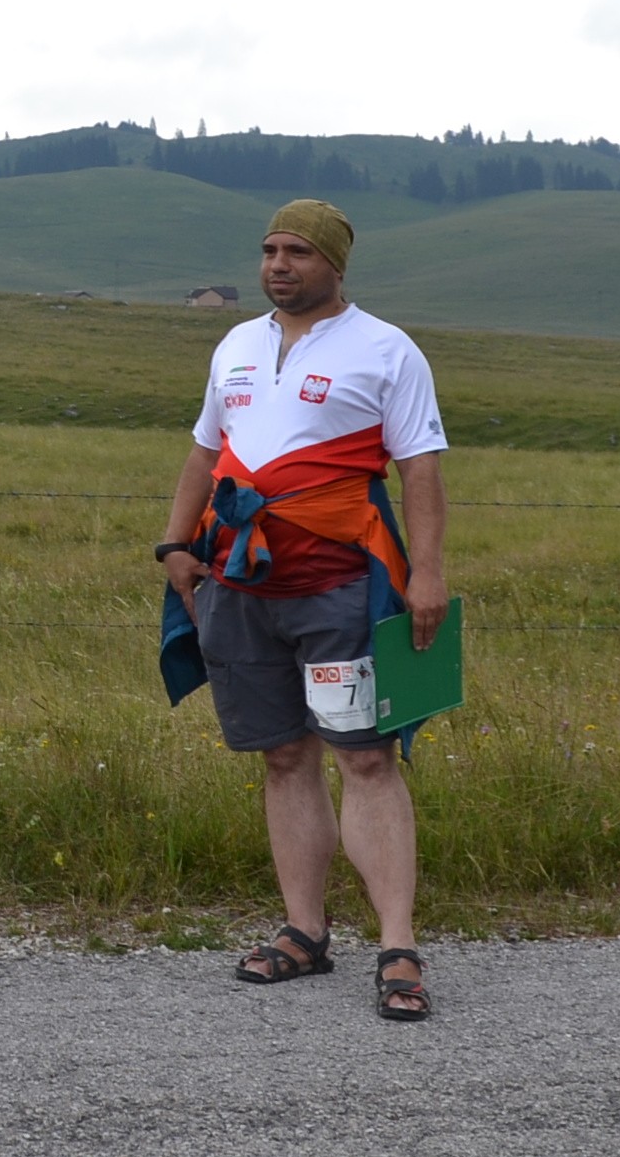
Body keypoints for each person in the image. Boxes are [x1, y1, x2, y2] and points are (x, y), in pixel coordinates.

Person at [156, 199, 452, 1023]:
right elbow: (206, 450)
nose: (278, 265)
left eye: (297, 252)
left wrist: (427, 575)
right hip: (241, 588)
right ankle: (304, 931)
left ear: (335, 263)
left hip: (338, 588)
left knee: (365, 758)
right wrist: (175, 542)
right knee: (284, 756)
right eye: (270, 250)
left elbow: (421, 469)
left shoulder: (386, 349)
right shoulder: (235, 345)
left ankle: (398, 946)